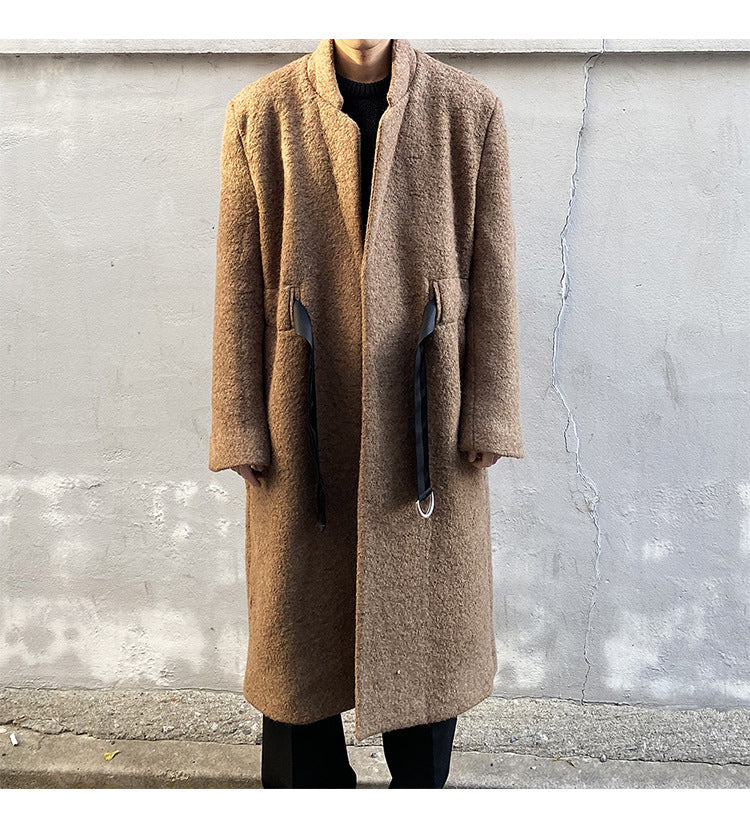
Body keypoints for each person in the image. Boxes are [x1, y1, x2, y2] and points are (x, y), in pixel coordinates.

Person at [209, 37, 523, 789]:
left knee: (426, 644)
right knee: (296, 650)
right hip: (301, 412)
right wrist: (240, 422)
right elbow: (238, 277)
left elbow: (495, 268)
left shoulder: (467, 110)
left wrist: (489, 409)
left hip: (428, 415)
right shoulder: (262, 113)